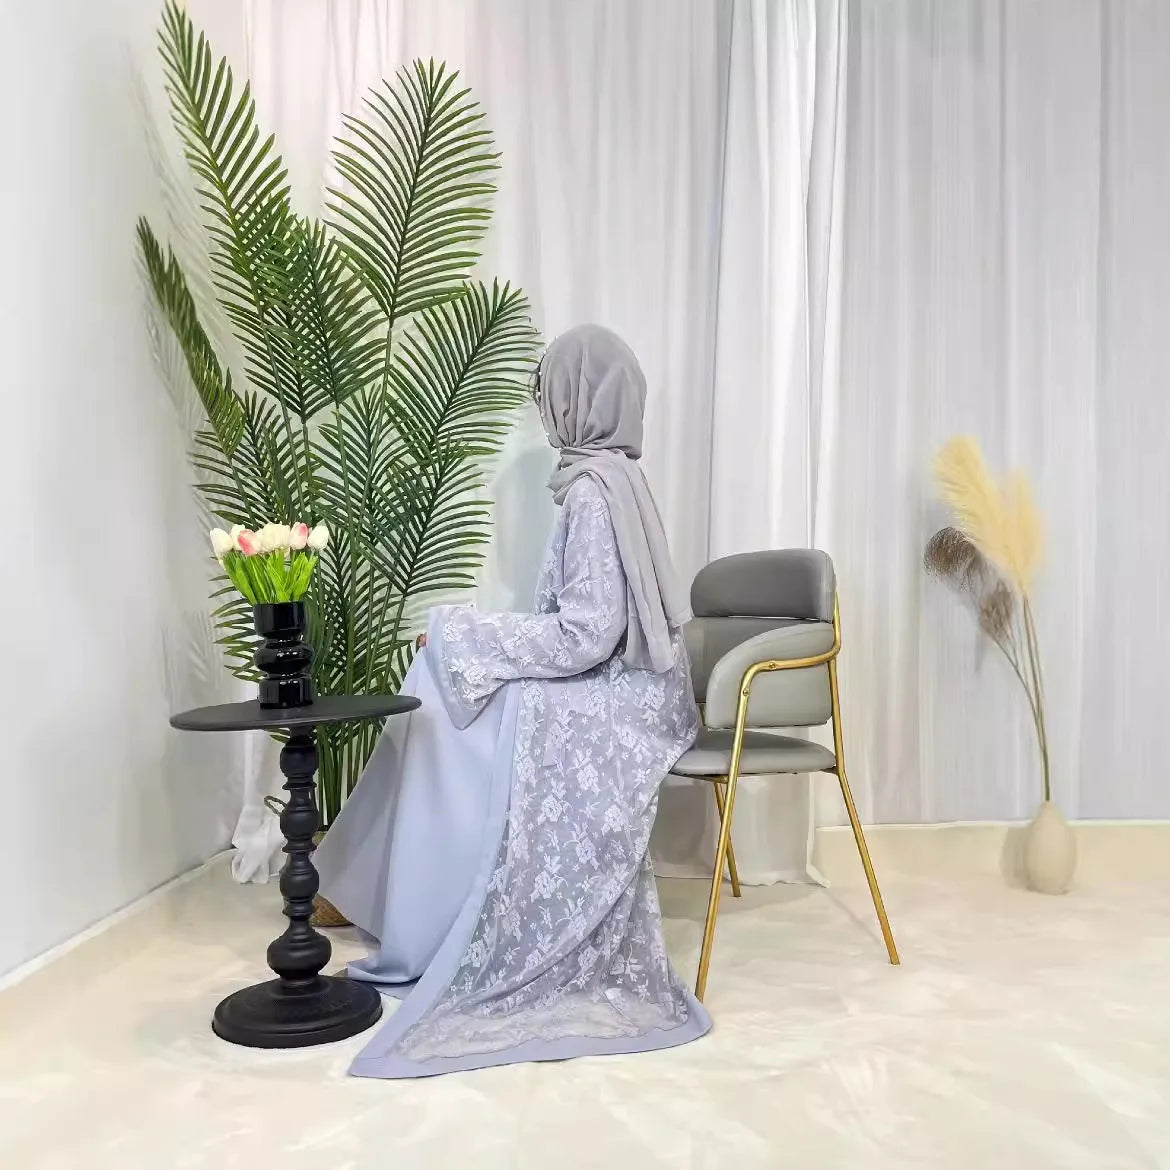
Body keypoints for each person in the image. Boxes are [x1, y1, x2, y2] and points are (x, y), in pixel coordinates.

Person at [314, 324, 710, 1078]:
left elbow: (589, 634)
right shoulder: (615, 478)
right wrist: (472, 640)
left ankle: (419, 913)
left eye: (548, 391)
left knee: (445, 695)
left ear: (575, 399)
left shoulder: (594, 491)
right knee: (455, 682)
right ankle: (413, 903)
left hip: (621, 696)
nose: (542, 405)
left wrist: (465, 635)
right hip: (643, 689)